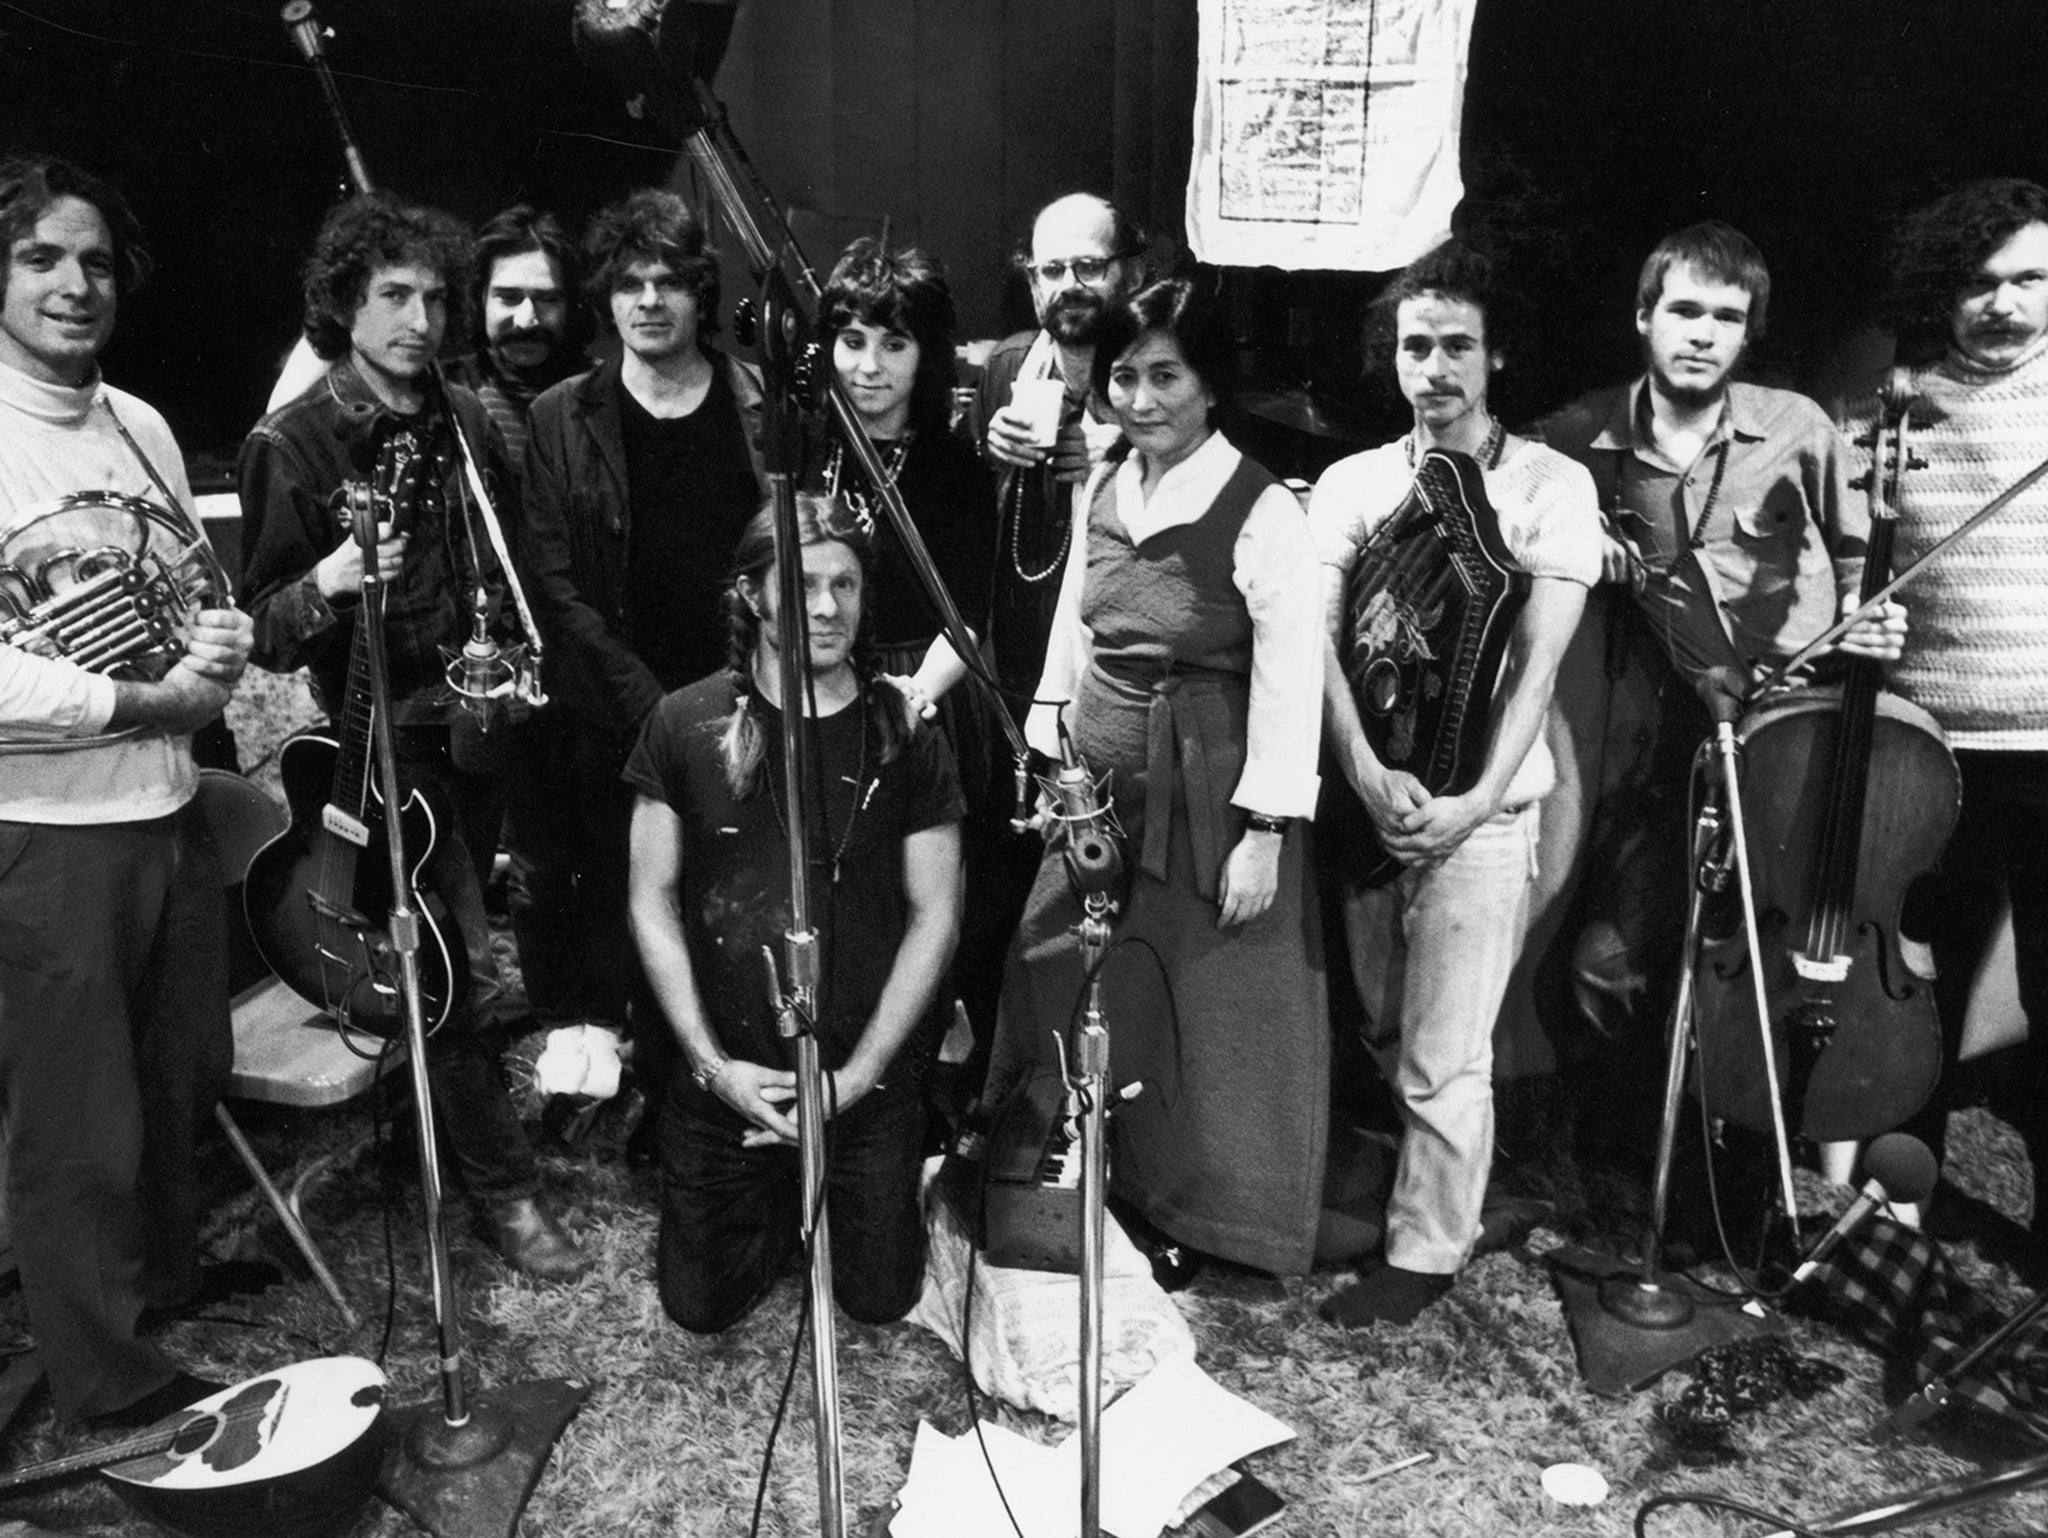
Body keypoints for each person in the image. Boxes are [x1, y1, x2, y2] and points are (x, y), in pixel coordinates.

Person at [237, 190, 587, 1283]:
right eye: (394, 295)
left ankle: (446, 1118)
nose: (421, 319)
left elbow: (527, 565)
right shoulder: (292, 444)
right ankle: (505, 1191)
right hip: (384, 753)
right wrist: (329, 583)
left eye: (437, 297)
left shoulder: (477, 421)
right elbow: (263, 632)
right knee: (454, 966)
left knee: (467, 950)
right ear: (344, 303)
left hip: (484, 730)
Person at [1541, 223, 1904, 1217]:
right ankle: (1618, 1155)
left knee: (1775, 958)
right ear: (1642, 317)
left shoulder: (1794, 426)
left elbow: (1866, 557)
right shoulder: (1581, 434)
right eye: (1684, 311)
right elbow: (1491, 494)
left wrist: (1863, 631)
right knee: (1607, 960)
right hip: (1667, 743)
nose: (1702, 334)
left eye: (1726, 317)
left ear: (1748, 333)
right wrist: (1575, 538)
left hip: (1795, 733)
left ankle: (1737, 1165)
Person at [982, 277, 1328, 1280]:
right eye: (1124, 374)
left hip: (1208, 795)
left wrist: (1263, 826)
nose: (1139, 397)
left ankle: (1202, 1211)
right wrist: (1049, 747)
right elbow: (1070, 627)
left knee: (1199, 1002)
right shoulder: (1102, 484)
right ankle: (1055, 1176)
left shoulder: (1260, 507)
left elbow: (1290, 672)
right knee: (1058, 959)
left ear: (1210, 382)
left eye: (1164, 375)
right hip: (1094, 785)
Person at [0, 151, 255, 1425]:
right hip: (42, 835)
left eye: (95, 259)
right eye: (40, 256)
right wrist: (143, 700)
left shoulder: (140, 424)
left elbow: (198, 596)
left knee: (182, 1075)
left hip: (165, 807)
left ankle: (157, 1284)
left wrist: (222, 648)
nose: (74, 282)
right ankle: (108, 1377)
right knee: (78, 1126)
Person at [1311, 242, 1601, 1326]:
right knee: (1386, 1031)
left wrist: (1475, 800)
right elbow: (1320, 645)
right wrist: (1357, 763)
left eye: (1455, 345)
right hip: (1371, 803)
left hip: (1479, 819)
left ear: (1495, 354)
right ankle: (1432, 1200)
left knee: (1445, 1050)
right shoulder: (1352, 483)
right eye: (1413, 344)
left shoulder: (1547, 486)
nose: (1432, 366)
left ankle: (1425, 1252)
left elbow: (1536, 668)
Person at [626, 495, 964, 1331]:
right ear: (752, 595)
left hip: (864, 1078)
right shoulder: (683, 721)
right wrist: (711, 1068)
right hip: (731, 1082)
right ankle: (776, 1185)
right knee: (702, 1308)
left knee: (881, 1301)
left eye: (845, 585)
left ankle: (852, 1176)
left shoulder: (906, 733)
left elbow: (936, 916)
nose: (826, 608)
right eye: (803, 585)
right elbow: (651, 898)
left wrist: (855, 1079)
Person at [516, 189, 765, 1123]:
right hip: (615, 711)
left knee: (731, 900)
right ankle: (654, 1081)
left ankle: (715, 1082)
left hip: (744, 696)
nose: (650, 299)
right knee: (637, 902)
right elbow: (552, 579)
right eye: (630, 283)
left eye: (669, 281)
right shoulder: (560, 415)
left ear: (701, 294)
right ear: (606, 299)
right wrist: (653, 707)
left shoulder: (757, 401)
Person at [1842, 179, 2048, 1233]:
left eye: (2027, 280)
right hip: (1934, 746)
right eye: (1977, 283)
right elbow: (1849, 557)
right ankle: (1893, 1199)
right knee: (1922, 977)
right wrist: (1855, 608)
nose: (2002, 305)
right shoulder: (1898, 397)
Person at [815, 236, 1001, 1042]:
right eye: (852, 340)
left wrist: (916, 693)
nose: (870, 365)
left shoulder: (954, 464)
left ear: (925, 355)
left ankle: (924, 1081)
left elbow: (969, 611)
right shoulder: (807, 450)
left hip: (923, 693)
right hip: (821, 681)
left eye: (894, 343)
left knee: (927, 909)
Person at [973, 192, 1146, 713]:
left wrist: (1128, 462)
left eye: (1089, 267)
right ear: (1032, 285)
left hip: (1120, 671)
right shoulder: (1006, 371)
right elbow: (965, 538)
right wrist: (988, 455)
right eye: (1051, 270)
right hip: (1020, 663)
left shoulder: (1159, 380)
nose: (1068, 285)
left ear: (1132, 275)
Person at [468, 204, 581, 468]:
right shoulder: (445, 391)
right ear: (481, 299)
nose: (526, 320)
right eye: (508, 298)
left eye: (547, 299)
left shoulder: (606, 392)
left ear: (572, 304)